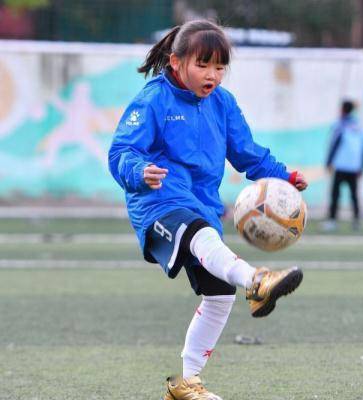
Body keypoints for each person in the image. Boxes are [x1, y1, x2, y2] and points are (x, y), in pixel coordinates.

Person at [108, 20, 308, 400]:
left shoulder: (223, 103)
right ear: (176, 61)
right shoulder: (154, 99)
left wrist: (284, 176)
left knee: (219, 296)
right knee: (198, 233)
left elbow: (247, 153)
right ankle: (256, 280)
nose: (212, 75)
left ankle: (187, 384)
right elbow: (121, 152)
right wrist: (138, 171)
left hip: (200, 208)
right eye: (203, 65)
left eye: (219, 67)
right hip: (157, 204)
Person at [322, 100, 363, 232]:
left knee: (335, 195)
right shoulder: (358, 126)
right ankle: (356, 222)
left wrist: (329, 162)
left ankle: (332, 221)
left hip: (341, 166)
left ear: (342, 110)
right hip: (354, 167)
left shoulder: (340, 125)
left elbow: (334, 144)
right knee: (354, 196)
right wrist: (362, 166)